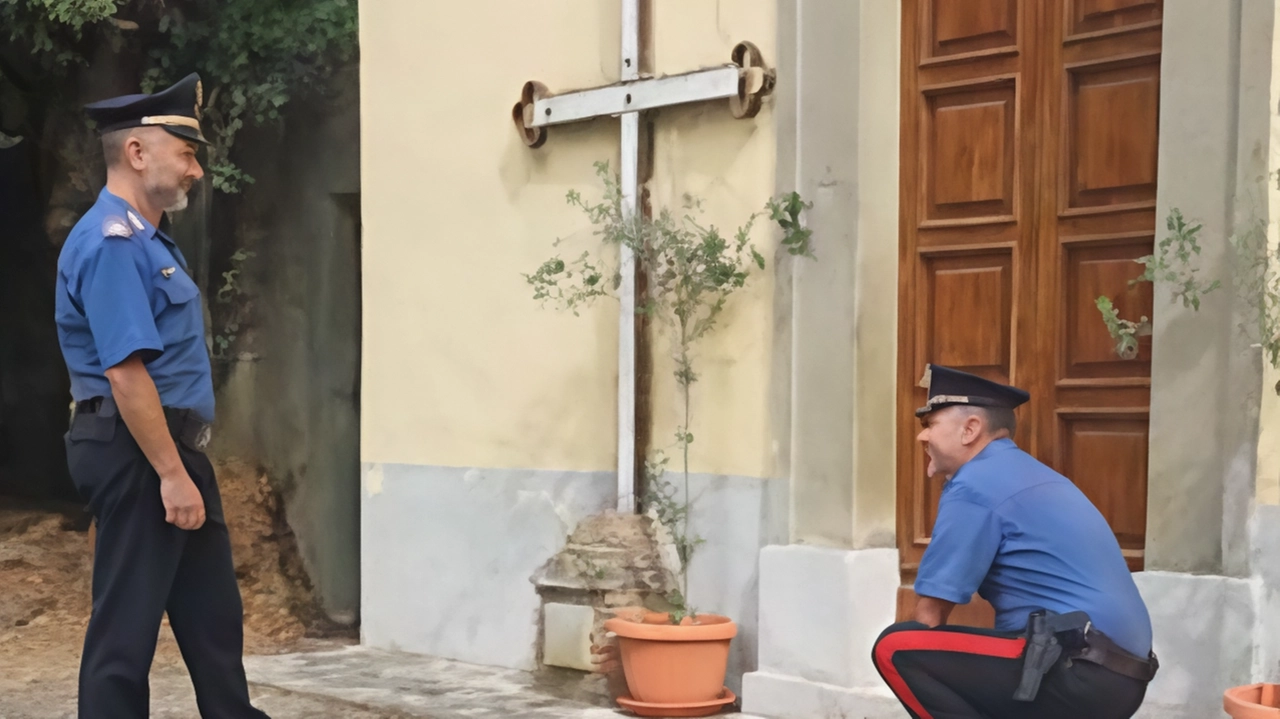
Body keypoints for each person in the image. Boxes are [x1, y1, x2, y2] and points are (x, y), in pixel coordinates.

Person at [54, 73, 271, 719]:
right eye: (188, 152)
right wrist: (172, 473)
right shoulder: (112, 243)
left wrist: (181, 466)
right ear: (138, 152)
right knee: (126, 632)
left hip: (165, 448)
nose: (197, 170)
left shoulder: (149, 241)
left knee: (212, 619)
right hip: (139, 450)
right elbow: (126, 373)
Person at [872, 364, 1158, 719]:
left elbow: (931, 615)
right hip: (1119, 677)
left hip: (1076, 670)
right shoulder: (1033, 473)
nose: (922, 438)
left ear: (970, 429)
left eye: (930, 425)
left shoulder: (975, 483)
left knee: (896, 647)